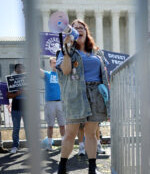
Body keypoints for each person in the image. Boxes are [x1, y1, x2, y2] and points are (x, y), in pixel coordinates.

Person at [56, 19, 110, 174]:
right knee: (70, 133)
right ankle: (62, 167)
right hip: (76, 94)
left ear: (86, 32)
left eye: (82, 28)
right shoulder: (65, 51)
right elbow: (65, 71)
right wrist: (66, 50)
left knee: (91, 134)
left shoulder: (97, 52)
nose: (78, 30)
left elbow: (104, 74)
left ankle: (92, 168)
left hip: (95, 94)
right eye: (75, 28)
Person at [40, 57, 66, 151]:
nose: (55, 64)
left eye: (56, 62)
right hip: (50, 103)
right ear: (50, 64)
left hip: (61, 102)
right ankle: (49, 145)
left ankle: (64, 144)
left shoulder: (63, 74)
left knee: (62, 125)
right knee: (50, 125)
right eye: (53, 63)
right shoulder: (47, 74)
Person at [7, 63, 26, 154]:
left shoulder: (28, 80)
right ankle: (15, 146)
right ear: (15, 70)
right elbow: (8, 95)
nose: (20, 69)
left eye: (22, 67)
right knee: (16, 128)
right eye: (18, 68)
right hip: (16, 106)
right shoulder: (11, 80)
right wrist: (17, 94)